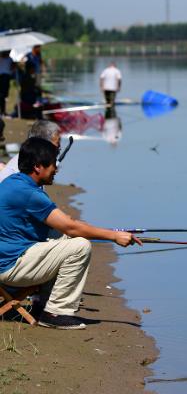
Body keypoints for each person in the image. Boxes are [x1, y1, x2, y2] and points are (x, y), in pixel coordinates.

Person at [0, 137, 141, 329]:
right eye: (52, 165)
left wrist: (98, 231)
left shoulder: (15, 182)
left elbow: (66, 224)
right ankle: (55, 312)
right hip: (9, 267)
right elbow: (71, 226)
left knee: (66, 237)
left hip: (7, 258)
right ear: (38, 167)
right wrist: (114, 236)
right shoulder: (29, 193)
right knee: (79, 247)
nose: (56, 170)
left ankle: (43, 304)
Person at [0, 51, 14, 116]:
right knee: (1, 95)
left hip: (6, 77)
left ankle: (3, 111)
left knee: (3, 96)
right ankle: (2, 111)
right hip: (2, 77)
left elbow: (12, 68)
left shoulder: (10, 59)